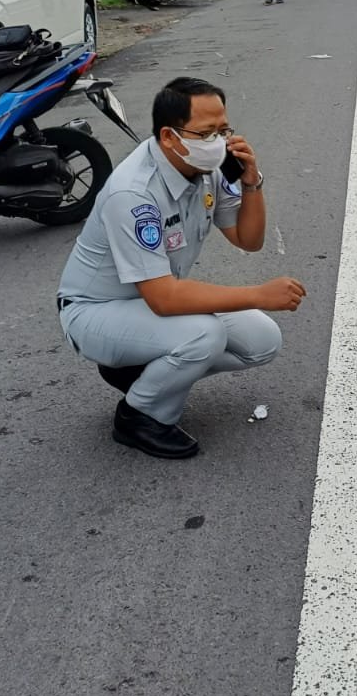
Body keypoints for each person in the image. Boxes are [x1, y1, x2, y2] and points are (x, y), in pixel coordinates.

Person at [56, 76, 306, 459]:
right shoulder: (133, 193)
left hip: (148, 305)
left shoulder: (207, 167)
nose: (219, 143)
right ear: (170, 137)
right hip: (95, 312)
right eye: (206, 133)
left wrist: (253, 181)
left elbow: (247, 239)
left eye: (224, 130)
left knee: (262, 340)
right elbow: (164, 299)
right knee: (202, 335)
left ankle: (144, 369)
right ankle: (139, 415)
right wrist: (259, 294)